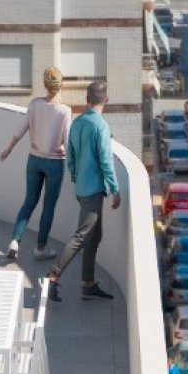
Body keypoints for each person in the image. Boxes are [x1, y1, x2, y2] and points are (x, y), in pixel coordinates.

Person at [46, 77, 122, 301]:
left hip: (81, 187)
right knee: (82, 236)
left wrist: (75, 177)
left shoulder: (78, 123)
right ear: (106, 100)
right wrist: (115, 190)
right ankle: (52, 276)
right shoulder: (101, 126)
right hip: (93, 190)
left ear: (87, 99)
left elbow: (70, 155)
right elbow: (106, 161)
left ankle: (88, 284)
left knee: (95, 236)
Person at [0, 65, 72, 263]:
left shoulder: (34, 105)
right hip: (55, 163)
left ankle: (15, 241)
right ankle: (40, 249)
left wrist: (8, 149)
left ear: (45, 84)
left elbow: (20, 129)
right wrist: (74, 162)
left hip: (34, 160)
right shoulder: (65, 111)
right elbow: (67, 140)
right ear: (61, 85)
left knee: (29, 202)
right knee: (48, 206)